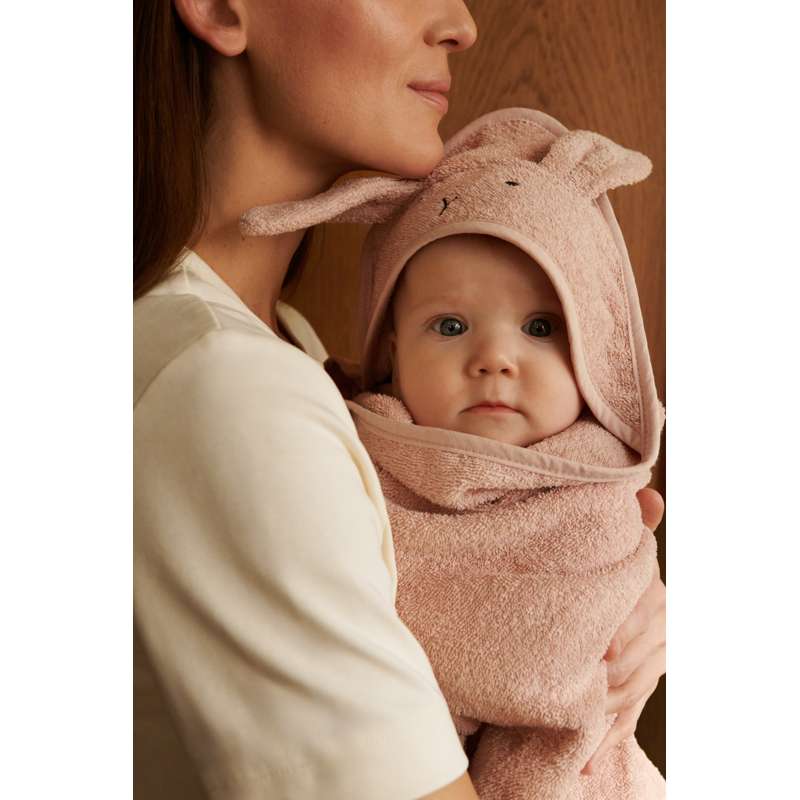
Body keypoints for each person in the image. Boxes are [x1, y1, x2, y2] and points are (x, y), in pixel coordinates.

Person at [133, 4, 666, 799]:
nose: (461, 22)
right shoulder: (228, 391)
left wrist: (601, 593)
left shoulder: (291, 351)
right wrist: (566, 656)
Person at [238, 108, 667, 798]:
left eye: (540, 327)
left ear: (594, 350)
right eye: (450, 325)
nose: (494, 358)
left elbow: (598, 646)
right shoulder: (345, 450)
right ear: (392, 353)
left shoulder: (605, 486)